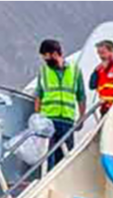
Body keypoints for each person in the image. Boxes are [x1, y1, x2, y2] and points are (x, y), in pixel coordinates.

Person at [36, 39, 85, 167]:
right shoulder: (43, 71)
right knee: (49, 157)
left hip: (67, 120)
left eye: (46, 56)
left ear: (54, 53)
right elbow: (39, 95)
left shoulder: (75, 71)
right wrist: (37, 117)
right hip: (48, 120)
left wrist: (82, 117)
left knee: (66, 157)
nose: (45, 60)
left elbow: (81, 95)